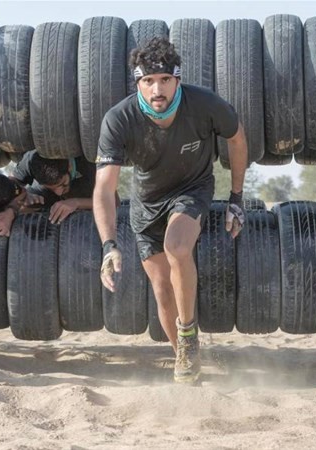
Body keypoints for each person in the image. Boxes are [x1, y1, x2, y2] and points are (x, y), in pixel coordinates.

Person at [93, 37, 248, 383]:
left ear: (177, 79)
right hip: (146, 204)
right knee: (162, 290)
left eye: (164, 79)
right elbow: (104, 188)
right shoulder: (119, 119)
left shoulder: (206, 105)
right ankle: (187, 365)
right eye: (148, 81)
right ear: (138, 84)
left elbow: (237, 139)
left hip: (192, 189)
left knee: (177, 246)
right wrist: (108, 245)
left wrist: (236, 198)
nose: (156, 89)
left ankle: (189, 333)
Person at [11, 150, 96, 224]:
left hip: (90, 195)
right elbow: (11, 183)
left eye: (63, 184)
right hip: (45, 194)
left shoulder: (92, 161)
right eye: (52, 187)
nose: (58, 192)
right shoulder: (30, 160)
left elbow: (108, 201)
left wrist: (77, 203)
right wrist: (22, 194)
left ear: (69, 166)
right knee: (23, 207)